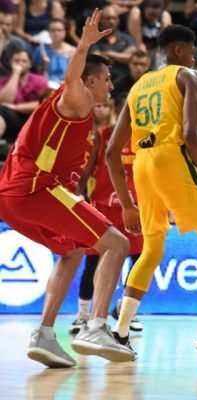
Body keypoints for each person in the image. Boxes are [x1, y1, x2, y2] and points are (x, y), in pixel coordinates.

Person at [0, 8, 135, 368]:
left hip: (15, 196)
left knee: (74, 251)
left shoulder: (80, 111)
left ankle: (43, 336)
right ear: (91, 80)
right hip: (35, 190)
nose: (111, 85)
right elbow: (73, 76)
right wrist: (84, 45)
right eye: (106, 78)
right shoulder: (77, 99)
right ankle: (96, 325)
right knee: (117, 243)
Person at [105, 24, 197, 363]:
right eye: (193, 51)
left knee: (151, 251)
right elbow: (190, 134)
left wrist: (127, 205)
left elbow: (112, 151)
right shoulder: (189, 75)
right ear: (182, 51)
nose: (195, 57)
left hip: (142, 165)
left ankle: (120, 333)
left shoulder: (139, 85)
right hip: (172, 157)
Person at [70, 95, 144, 335]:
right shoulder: (103, 136)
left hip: (135, 209)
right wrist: (77, 197)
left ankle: (127, 311)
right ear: (119, 111)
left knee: (140, 261)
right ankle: (82, 314)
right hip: (103, 207)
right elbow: (86, 170)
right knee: (93, 260)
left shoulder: (145, 139)